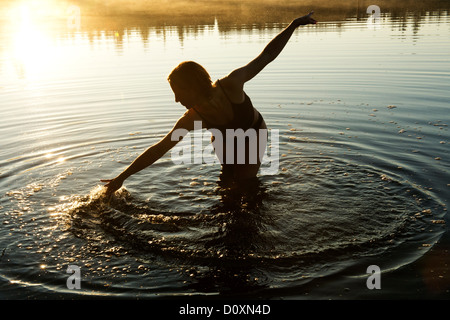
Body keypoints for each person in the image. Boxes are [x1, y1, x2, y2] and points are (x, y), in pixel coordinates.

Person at [102, 12, 317, 195]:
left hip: (253, 132)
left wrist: (294, 24)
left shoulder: (231, 84)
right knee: (227, 186)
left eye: (179, 93)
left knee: (245, 185)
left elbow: (267, 56)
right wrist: (122, 177)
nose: (176, 100)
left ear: (193, 86)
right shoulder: (192, 118)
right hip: (224, 138)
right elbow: (160, 148)